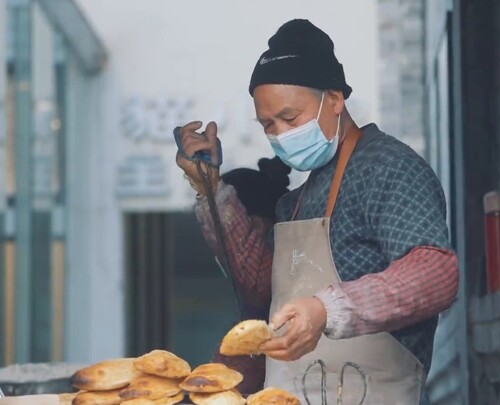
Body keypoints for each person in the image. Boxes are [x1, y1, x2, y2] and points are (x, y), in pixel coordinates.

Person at [175, 19, 459, 404]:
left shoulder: (387, 168)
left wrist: (328, 309)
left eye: (290, 119)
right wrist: (209, 188)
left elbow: (436, 272)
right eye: (268, 125)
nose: (279, 135)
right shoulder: (297, 200)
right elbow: (261, 289)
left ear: (336, 99)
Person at [207, 157, 291, 396]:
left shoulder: (264, 279)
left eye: (226, 244)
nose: (224, 256)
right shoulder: (243, 329)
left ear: (259, 227)